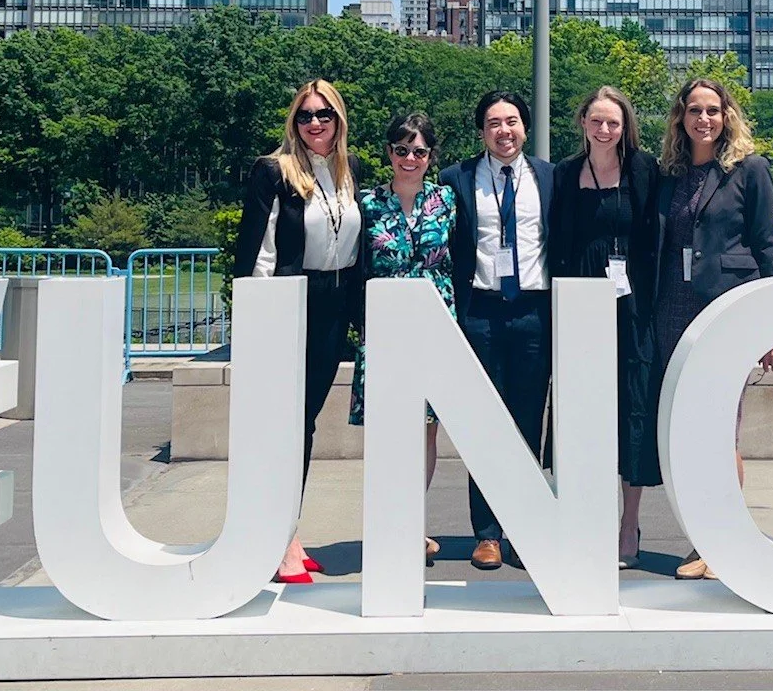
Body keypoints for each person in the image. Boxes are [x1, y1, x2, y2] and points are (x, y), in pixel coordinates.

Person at [233, 78, 366, 585]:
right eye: (306, 115)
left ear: (339, 120)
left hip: (333, 309)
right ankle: (278, 539)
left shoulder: (348, 171)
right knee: (282, 424)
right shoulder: (273, 171)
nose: (315, 123)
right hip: (289, 305)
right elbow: (258, 250)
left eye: (325, 114)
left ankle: (287, 529)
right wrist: (258, 320)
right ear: (295, 121)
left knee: (304, 422)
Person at [652, 77, 773, 581]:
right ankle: (702, 536)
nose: (703, 119)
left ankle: (717, 541)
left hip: (727, 309)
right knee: (685, 430)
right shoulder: (671, 174)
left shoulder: (750, 171)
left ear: (727, 115)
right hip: (672, 310)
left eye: (712, 110)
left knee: (721, 426)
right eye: (693, 110)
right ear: (680, 119)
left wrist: (771, 326)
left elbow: (766, 248)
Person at [438, 89, 555, 570]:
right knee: (484, 423)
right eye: (493, 123)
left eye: (511, 121)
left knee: (529, 421)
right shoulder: (457, 178)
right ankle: (487, 533)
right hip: (481, 311)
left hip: (534, 310)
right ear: (481, 131)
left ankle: (525, 529)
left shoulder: (550, 177)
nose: (503, 131)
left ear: (525, 127)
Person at [548, 85, 662, 570]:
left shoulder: (644, 170)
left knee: (632, 406)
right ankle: (578, 517)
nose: (604, 129)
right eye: (596, 121)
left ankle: (628, 522)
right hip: (580, 301)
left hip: (632, 302)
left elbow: (655, 235)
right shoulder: (565, 174)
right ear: (583, 124)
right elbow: (555, 242)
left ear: (625, 126)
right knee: (581, 407)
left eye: (613, 122)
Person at [350, 111, 457, 561]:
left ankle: (413, 522)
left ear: (431, 156)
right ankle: (389, 521)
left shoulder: (449, 200)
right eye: (401, 150)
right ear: (388, 152)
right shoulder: (368, 203)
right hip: (386, 326)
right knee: (387, 429)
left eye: (418, 151)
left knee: (426, 431)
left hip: (436, 321)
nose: (409, 158)